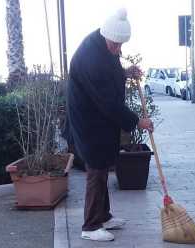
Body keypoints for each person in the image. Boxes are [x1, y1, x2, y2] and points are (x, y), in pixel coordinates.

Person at [66, 8, 154, 242]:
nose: (118, 49)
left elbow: (111, 71)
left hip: (100, 118)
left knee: (104, 164)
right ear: (107, 35)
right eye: (115, 44)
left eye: (120, 45)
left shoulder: (103, 43)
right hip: (89, 120)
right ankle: (90, 225)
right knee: (96, 167)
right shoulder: (91, 58)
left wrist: (126, 73)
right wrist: (137, 121)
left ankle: (103, 216)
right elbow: (108, 103)